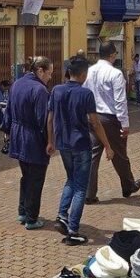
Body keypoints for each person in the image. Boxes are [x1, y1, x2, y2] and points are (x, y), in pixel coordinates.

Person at [51, 56, 113, 245]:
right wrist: (107, 145)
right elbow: (95, 122)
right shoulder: (85, 94)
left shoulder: (56, 90)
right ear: (83, 74)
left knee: (71, 179)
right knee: (80, 187)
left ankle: (62, 215)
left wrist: (50, 141)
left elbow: (50, 118)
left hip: (63, 143)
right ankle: (73, 230)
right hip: (80, 144)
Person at [84, 43, 140, 203]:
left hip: (93, 116)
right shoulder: (115, 74)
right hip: (110, 118)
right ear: (112, 55)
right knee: (120, 153)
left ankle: (89, 193)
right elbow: (120, 101)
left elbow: (85, 93)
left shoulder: (89, 72)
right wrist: (125, 123)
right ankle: (128, 185)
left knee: (93, 155)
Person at [8, 57, 54, 230]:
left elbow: (8, 112)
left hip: (17, 135)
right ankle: (31, 218)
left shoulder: (17, 84)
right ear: (40, 71)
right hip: (32, 138)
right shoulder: (40, 90)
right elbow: (44, 120)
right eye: (49, 73)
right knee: (36, 178)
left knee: (26, 175)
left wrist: (8, 132)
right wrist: (50, 141)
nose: (50, 77)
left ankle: (23, 211)